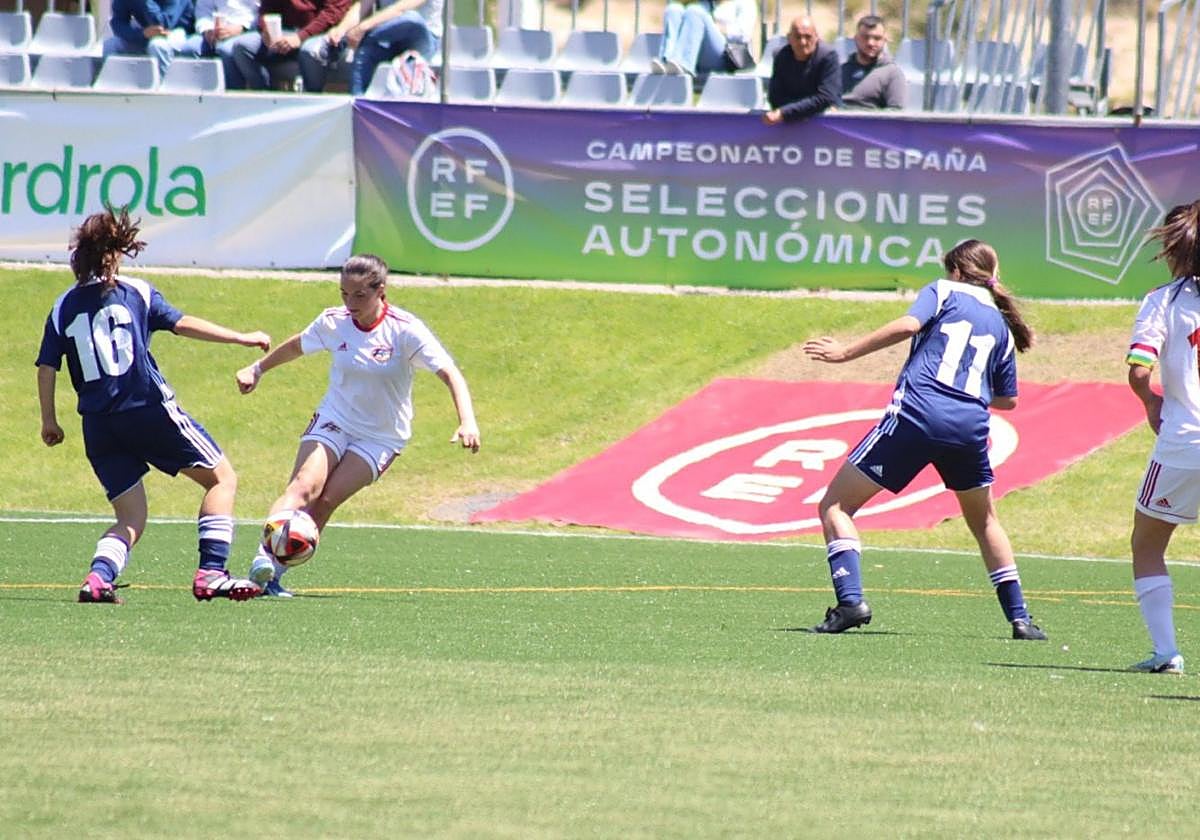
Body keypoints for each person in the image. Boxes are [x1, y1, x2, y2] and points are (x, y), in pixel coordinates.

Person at [801, 239, 1046, 641]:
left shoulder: (943, 290)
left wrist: (845, 352)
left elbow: (907, 325)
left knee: (835, 505)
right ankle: (1021, 619)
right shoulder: (1001, 323)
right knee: (985, 521)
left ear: (955, 270)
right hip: (969, 426)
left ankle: (850, 603)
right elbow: (1009, 399)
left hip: (919, 414)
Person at [36, 207, 270, 604]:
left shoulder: (63, 306)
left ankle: (97, 579)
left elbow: (46, 366)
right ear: (117, 251)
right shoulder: (136, 292)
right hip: (146, 408)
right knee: (222, 479)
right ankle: (212, 572)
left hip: (98, 425)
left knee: (130, 518)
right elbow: (182, 323)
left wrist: (49, 421)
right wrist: (241, 338)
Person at [234, 254, 480, 596]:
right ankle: (260, 560)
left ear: (382, 291)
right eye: (344, 294)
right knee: (304, 487)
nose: (350, 304)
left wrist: (467, 421)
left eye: (359, 296)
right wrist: (257, 369)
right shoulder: (333, 322)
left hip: (381, 436)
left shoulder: (405, 330)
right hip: (335, 418)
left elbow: (450, 373)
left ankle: (274, 574)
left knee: (326, 500)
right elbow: (296, 346)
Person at [1124, 201, 1200, 674]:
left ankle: (1166, 653)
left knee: (1147, 543)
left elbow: (1138, 370)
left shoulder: (1164, 300)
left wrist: (1152, 402)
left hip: (1184, 442)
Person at [229, 0, 352, 91]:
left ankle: (312, 103)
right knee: (241, 46)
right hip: (287, 31)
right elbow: (267, 8)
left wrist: (301, 36)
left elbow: (332, 14)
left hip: (325, 34)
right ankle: (265, 98)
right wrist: (266, 29)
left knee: (309, 51)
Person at [334, 0, 443, 97]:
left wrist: (362, 29)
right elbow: (363, 5)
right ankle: (359, 102)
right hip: (388, 38)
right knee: (367, 48)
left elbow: (402, 9)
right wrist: (341, 29)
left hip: (423, 38)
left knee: (412, 19)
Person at [763, 16, 840, 125]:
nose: (803, 42)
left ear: (817, 37)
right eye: (797, 37)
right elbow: (775, 97)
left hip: (821, 123)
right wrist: (796, 111)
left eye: (808, 37)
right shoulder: (781, 56)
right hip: (790, 123)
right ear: (789, 38)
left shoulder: (828, 56)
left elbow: (826, 98)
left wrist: (785, 112)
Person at [650, 0, 757, 78]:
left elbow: (743, 35)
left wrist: (718, 27)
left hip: (727, 58)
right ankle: (666, 61)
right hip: (700, 55)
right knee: (673, 9)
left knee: (695, 11)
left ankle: (683, 65)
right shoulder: (706, 3)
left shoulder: (745, 3)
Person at [104, 0, 201, 77]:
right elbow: (118, 23)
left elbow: (162, 23)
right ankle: (110, 87)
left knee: (157, 45)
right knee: (111, 44)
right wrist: (142, 34)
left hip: (180, 34)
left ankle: (162, 90)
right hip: (149, 34)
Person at [183, 0, 261, 89]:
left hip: (244, 31)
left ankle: (231, 95)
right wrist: (207, 29)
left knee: (226, 50)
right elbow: (203, 11)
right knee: (189, 48)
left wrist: (241, 27)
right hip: (213, 28)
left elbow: (259, 12)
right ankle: (194, 95)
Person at [840, 14, 905, 110]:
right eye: (865, 37)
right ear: (856, 38)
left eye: (877, 38)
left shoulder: (892, 74)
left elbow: (895, 112)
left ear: (884, 40)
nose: (870, 43)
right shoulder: (840, 70)